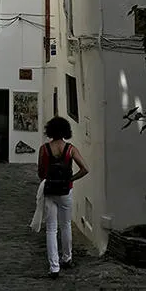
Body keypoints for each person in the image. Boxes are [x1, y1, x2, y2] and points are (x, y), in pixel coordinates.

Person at [37, 116, 89, 279]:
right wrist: (70, 179)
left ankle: (54, 267)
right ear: (66, 131)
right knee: (66, 225)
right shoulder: (70, 149)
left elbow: (40, 172)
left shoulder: (44, 149)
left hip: (50, 190)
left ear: (50, 130)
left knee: (51, 229)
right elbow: (85, 168)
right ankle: (67, 258)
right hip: (66, 191)